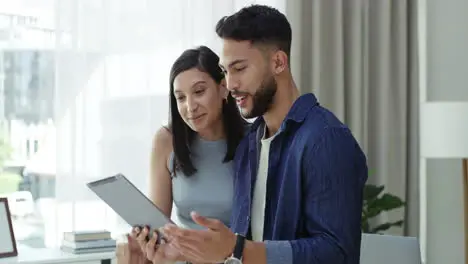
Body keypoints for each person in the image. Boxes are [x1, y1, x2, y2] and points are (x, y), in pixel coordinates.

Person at [156, 4, 369, 264]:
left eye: (240, 68)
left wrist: (237, 250)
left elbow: (337, 254)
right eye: (225, 71)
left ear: (278, 62)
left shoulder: (325, 139)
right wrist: (184, 253)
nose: (231, 84)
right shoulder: (250, 145)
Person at [127, 45, 247, 264]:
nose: (190, 106)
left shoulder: (253, 141)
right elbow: (159, 226)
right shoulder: (166, 140)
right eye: (180, 98)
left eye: (199, 92)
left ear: (223, 88)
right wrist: (149, 240)